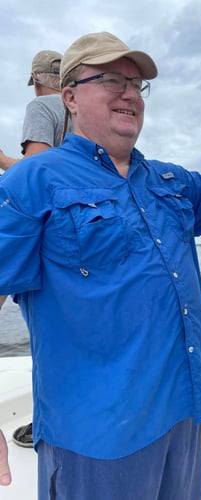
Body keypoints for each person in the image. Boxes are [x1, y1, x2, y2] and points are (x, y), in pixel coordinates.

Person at [0, 31, 201, 499]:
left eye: (136, 83)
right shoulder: (31, 180)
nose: (129, 92)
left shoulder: (166, 178)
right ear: (69, 97)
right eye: (110, 79)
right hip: (96, 436)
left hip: (182, 414)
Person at [0, 49, 72, 449]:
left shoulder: (41, 105)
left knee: (45, 336)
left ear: (38, 78)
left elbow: (36, 171)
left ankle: (47, 427)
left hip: (43, 232)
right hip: (78, 232)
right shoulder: (79, 115)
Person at [0, 49, 69, 171]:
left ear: (35, 79)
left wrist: (2, 159)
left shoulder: (42, 105)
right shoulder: (80, 107)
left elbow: (34, 166)